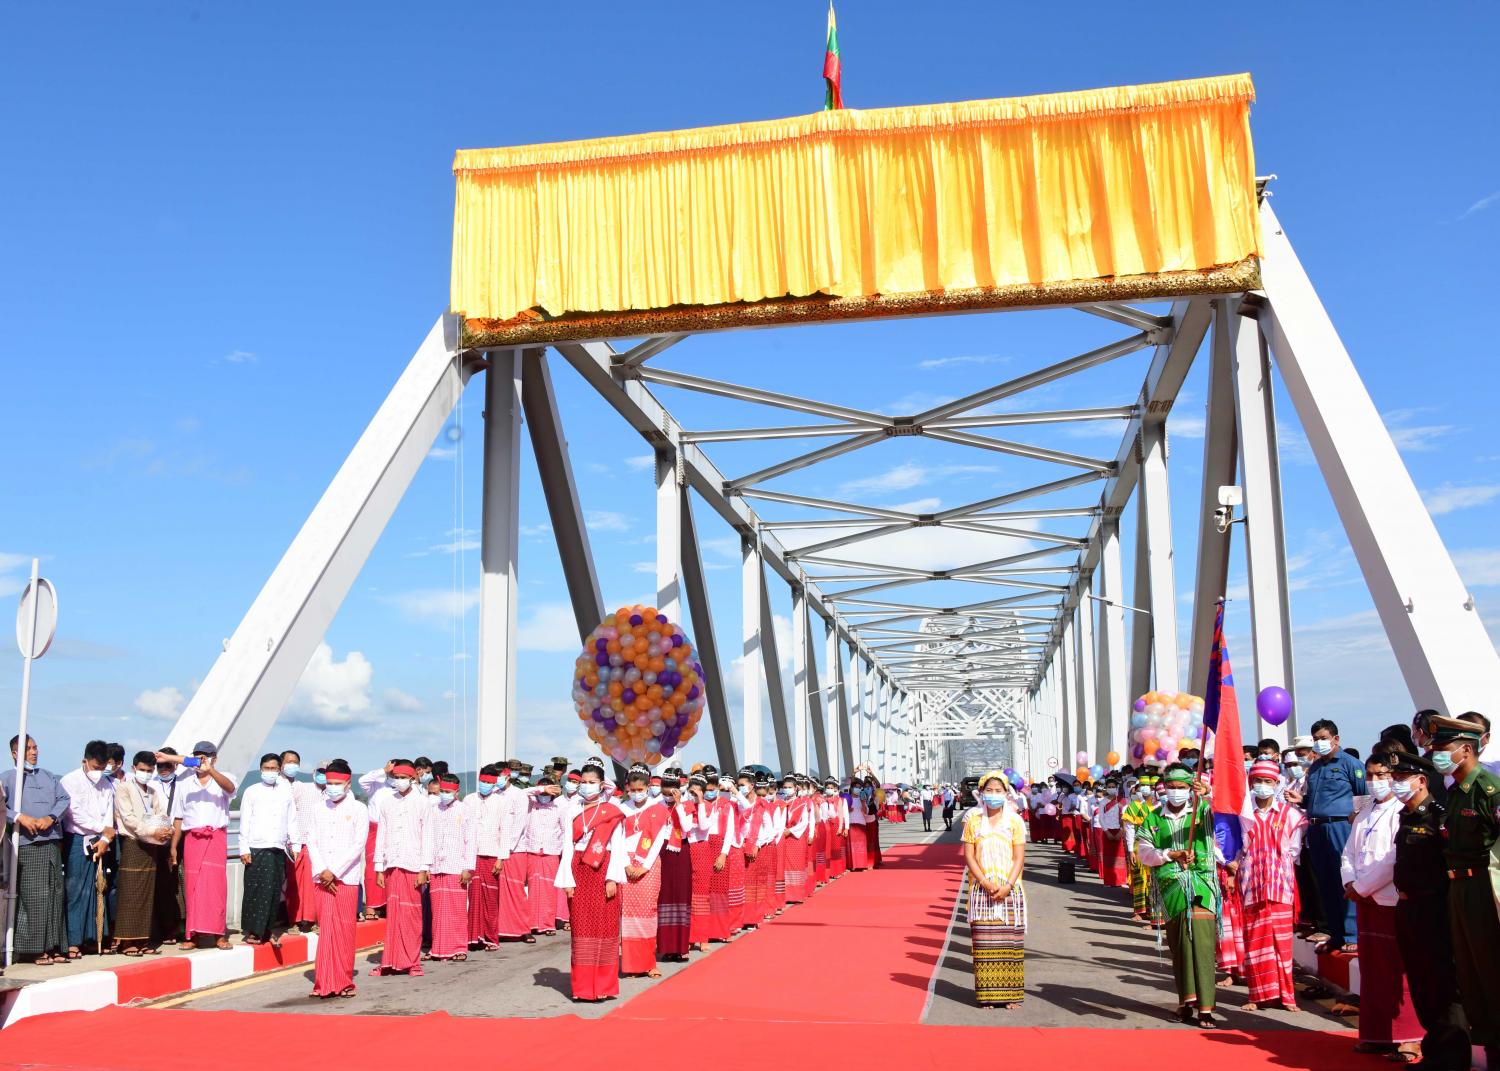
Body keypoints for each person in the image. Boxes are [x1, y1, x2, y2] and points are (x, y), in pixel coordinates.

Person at [1389, 751, 1469, 1071]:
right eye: (1394, 779)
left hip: (1433, 908)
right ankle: (1434, 1053)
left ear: (1421, 780)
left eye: (1401, 779)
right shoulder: (1405, 816)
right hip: (1407, 907)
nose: (1395, 784)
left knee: (1441, 985)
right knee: (1421, 983)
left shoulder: (1438, 817)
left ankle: (1452, 1058)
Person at [1340, 753, 1422, 1057]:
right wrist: (1350, 882)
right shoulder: (1364, 811)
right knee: (1372, 969)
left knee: (1399, 969)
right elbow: (1348, 852)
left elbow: (1393, 859)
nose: (1375, 781)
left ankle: (1408, 1037)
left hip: (1389, 898)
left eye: (1382, 775)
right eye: (1370, 775)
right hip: (1364, 900)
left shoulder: (1403, 810)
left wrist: (1362, 887)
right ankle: (1377, 1034)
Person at [1431, 713, 1500, 1068]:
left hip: (1484, 890)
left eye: (1444, 748)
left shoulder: (1490, 789)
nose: (1438, 755)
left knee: (1492, 972)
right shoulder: (1455, 793)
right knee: (1470, 976)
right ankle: (1490, 1050)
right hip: (1458, 889)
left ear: (1467, 750)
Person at [1137, 764, 1220, 1029]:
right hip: (1171, 886)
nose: (1175, 792)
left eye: (1181, 787)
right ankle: (1185, 1002)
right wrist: (1170, 854)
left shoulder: (1203, 811)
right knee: (1181, 945)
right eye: (1171, 787)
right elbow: (1144, 853)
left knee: (1203, 945)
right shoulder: (1154, 818)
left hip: (1202, 884)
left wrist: (1209, 794)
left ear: (1190, 788)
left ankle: (1206, 1008)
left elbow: (1229, 817)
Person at [554, 756, 628, 1002]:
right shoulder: (572, 809)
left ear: (601, 784)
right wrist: (567, 880)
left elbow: (618, 847)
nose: (586, 786)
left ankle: (604, 985)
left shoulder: (611, 810)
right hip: (578, 868)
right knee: (581, 927)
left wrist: (612, 878)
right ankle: (583, 987)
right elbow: (566, 846)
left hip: (604, 868)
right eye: (583, 782)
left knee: (605, 926)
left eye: (592, 782)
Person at [1237, 759, 1305, 1011]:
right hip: (1251, 884)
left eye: (1268, 781)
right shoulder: (1244, 816)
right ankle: (1257, 996)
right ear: (1251, 783)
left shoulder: (1291, 815)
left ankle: (1287, 996)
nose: (1262, 785)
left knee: (1282, 944)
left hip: (1280, 886)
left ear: (1276, 784)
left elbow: (1294, 851)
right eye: (1258, 781)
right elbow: (1236, 849)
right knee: (1255, 942)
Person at [962, 771, 1027, 1009]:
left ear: (1006, 793)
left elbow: (1019, 858)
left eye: (998, 791)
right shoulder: (974, 821)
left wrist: (1008, 885)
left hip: (1011, 888)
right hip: (982, 889)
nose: (993, 795)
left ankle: (1011, 996)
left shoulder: (1015, 822)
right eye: (989, 790)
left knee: (1010, 942)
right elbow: (969, 856)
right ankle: (987, 996)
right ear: (981, 793)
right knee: (984, 943)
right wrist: (985, 882)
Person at [1302, 718, 1364, 955]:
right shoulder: (1315, 767)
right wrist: (1302, 801)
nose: (1319, 743)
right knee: (1325, 882)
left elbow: (1362, 796)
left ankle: (1351, 934)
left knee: (1344, 878)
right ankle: (1335, 934)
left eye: (1323, 738)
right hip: (1316, 827)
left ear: (1336, 739)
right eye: (1315, 739)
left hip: (1340, 826)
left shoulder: (1351, 764)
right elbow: (1314, 799)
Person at [306, 760, 367, 999]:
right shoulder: (317, 809)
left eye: (336, 783)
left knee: (343, 929)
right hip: (322, 878)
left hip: (346, 878)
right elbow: (311, 840)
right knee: (326, 929)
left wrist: (335, 871)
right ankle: (323, 982)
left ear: (348, 783)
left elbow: (358, 844)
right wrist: (323, 870)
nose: (332, 787)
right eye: (329, 783)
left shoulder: (359, 809)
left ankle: (342, 981)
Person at [7, 735, 69, 964]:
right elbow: (2, 808)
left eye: (35, 748)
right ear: (15, 753)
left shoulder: (49, 776)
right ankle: (34, 949)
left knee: (55, 893)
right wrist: (19, 817)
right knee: (34, 897)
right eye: (27, 749)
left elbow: (64, 799)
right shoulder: (7, 778)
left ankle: (54, 946)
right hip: (27, 844)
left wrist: (51, 817)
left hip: (51, 841)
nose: (33, 752)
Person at [171, 741, 235, 950]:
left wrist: (211, 770)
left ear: (214, 758)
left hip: (215, 838)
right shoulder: (184, 783)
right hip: (193, 840)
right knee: (193, 887)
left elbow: (230, 788)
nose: (201, 760)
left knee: (216, 888)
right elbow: (179, 817)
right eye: (197, 756)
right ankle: (193, 935)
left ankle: (219, 934)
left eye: (205, 756)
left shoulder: (223, 778)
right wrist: (174, 846)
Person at [112, 751, 174, 955]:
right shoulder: (125, 788)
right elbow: (128, 818)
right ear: (134, 768)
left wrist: (166, 830)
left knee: (147, 893)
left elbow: (162, 815)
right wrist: (150, 831)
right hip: (133, 842)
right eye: (142, 770)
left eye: (149, 770)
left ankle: (143, 940)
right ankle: (127, 941)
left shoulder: (153, 791)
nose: (146, 773)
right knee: (130, 893)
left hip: (151, 845)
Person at [59, 739, 116, 957]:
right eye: (95, 767)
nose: (98, 772)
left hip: (100, 840)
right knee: (75, 891)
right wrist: (102, 828)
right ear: (85, 761)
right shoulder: (70, 781)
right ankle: (73, 941)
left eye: (102, 768)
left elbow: (109, 813)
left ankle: (93, 938)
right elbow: (74, 813)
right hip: (77, 839)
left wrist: (105, 838)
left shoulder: (106, 784)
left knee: (98, 889)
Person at [237, 752, 299, 947]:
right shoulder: (252, 791)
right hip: (256, 847)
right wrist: (243, 848)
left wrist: (295, 844)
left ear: (279, 770)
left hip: (277, 847)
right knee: (255, 890)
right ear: (260, 769)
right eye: (266, 768)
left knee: (273, 891)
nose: (270, 771)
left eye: (273, 768)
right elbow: (245, 820)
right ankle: (254, 931)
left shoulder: (285, 792)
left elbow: (292, 819)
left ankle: (268, 930)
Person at [372, 760, 427, 976]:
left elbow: (428, 836)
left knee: (411, 914)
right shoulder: (387, 802)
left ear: (412, 779)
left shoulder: (422, 802)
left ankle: (412, 962)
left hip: (412, 864)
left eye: (403, 778)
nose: (399, 781)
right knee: (393, 913)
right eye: (396, 777)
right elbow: (381, 835)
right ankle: (390, 961)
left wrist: (424, 868)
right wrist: (379, 866)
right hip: (392, 864)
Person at [619, 766, 668, 976]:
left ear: (648, 787)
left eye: (641, 789)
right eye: (633, 790)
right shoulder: (621, 809)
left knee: (648, 912)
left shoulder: (658, 809)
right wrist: (626, 864)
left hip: (649, 865)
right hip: (625, 863)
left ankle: (648, 962)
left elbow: (658, 841)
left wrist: (644, 866)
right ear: (627, 788)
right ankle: (631, 964)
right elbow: (618, 839)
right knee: (628, 915)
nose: (637, 793)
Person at [422, 773, 475, 962]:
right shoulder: (433, 810)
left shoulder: (465, 810)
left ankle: (459, 947)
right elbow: (427, 838)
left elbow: (471, 840)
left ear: (456, 792)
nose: (444, 795)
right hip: (437, 866)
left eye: (448, 792)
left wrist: (468, 867)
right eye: (442, 791)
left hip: (457, 866)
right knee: (437, 910)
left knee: (456, 909)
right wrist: (425, 865)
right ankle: (438, 947)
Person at [516, 772, 567, 937]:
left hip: (551, 853)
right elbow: (521, 793)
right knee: (533, 889)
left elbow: (565, 831)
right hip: (532, 851)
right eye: (542, 793)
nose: (544, 796)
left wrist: (562, 850)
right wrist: (541, 789)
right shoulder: (530, 805)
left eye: (547, 793)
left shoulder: (559, 808)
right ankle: (531, 923)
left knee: (549, 890)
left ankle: (547, 924)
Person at [464, 764, 508, 951]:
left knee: (490, 897)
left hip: (492, 854)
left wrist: (501, 858)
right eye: (482, 781)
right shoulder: (469, 800)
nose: (485, 785)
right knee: (473, 895)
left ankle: (490, 937)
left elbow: (505, 831)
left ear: (494, 783)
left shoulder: (501, 801)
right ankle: (473, 937)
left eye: (488, 782)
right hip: (472, 854)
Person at [279, 750, 323, 931]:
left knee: (313, 884)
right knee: (295, 883)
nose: (324, 775)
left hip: (317, 845)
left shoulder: (331, 795)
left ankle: (311, 919)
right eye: (321, 771)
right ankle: (295, 920)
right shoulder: (300, 788)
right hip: (296, 843)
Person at [655, 773, 693, 961]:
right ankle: (666, 947)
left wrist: (678, 805)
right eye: (665, 791)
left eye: (672, 791)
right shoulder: (656, 805)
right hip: (662, 850)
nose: (668, 795)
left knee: (681, 896)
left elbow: (687, 827)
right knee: (664, 896)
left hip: (681, 851)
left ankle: (680, 947)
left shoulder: (687, 804)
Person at [1121, 775, 1159, 926]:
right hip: (1138, 847)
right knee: (1139, 879)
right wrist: (1130, 850)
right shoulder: (1133, 807)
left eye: (1150, 786)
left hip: (1156, 848)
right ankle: (1139, 910)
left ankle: (1153, 912)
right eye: (1143, 785)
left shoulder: (1159, 807)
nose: (1146, 788)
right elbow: (1129, 829)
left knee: (1153, 880)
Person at [1098, 777, 1128, 888]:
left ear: (1117, 788)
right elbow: (1101, 818)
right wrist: (1107, 832)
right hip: (1107, 832)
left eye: (1113, 787)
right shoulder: (1103, 802)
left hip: (1119, 831)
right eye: (1109, 787)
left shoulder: (1122, 801)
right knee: (1108, 857)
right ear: (1106, 788)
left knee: (1120, 857)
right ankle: (1109, 880)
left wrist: (1121, 831)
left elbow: (1125, 818)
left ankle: (1120, 880)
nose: (1111, 788)